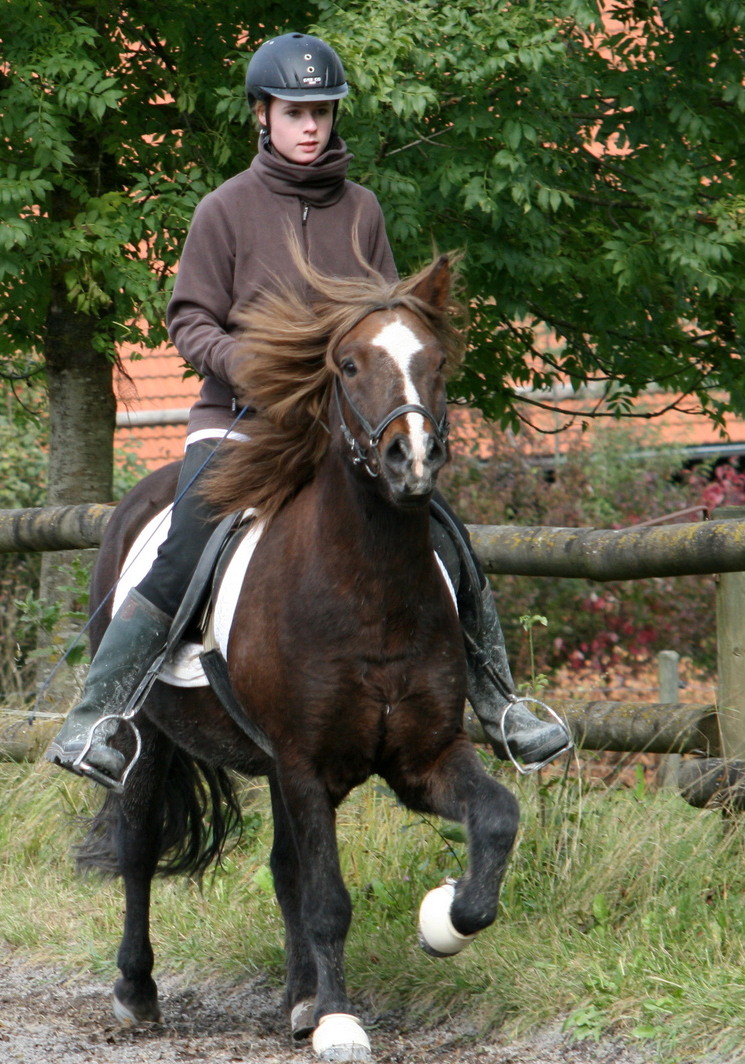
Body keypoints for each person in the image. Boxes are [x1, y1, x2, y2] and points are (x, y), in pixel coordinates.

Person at [46, 32, 568, 790]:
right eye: (296, 111)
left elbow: (391, 318)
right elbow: (188, 320)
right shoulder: (224, 210)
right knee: (185, 543)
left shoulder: (362, 210)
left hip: (342, 436)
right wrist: (246, 367)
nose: (312, 125)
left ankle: (504, 705)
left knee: (447, 538)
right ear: (263, 114)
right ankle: (97, 716)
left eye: (322, 111)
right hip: (241, 424)